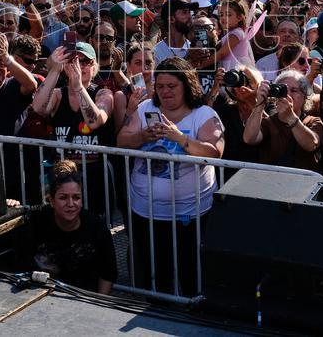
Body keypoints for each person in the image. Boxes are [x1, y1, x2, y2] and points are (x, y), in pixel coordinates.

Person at [117, 57, 224, 296]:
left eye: (172, 86)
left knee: (190, 270)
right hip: (146, 211)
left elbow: (214, 152)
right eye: (161, 86)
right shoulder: (146, 108)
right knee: (156, 270)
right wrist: (142, 137)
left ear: (187, 85)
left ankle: (192, 307)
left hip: (189, 214)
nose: (165, 92)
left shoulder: (204, 114)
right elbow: (122, 140)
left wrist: (180, 138)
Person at [31, 44, 115, 215]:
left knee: (96, 222)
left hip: (94, 173)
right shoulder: (58, 94)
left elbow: (95, 121)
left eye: (85, 62)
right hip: (63, 173)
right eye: (74, 61)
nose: (79, 66)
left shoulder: (103, 94)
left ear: (94, 66)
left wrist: (78, 86)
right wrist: (55, 69)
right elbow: (38, 108)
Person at [16, 159, 117, 293]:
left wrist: (98, 303)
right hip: (40, 294)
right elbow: (17, 212)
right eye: (63, 198)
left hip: (84, 297)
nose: (70, 204)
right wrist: (10, 205)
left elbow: (108, 274)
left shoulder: (96, 227)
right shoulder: (37, 218)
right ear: (51, 201)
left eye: (76, 197)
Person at [243, 70, 323, 170]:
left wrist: (291, 117)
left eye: (294, 90)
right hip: (271, 178)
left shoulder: (312, 121)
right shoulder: (268, 122)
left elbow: (311, 144)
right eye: (283, 90)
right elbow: (249, 138)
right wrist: (260, 103)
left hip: (302, 178)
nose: (287, 95)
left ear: (305, 96)